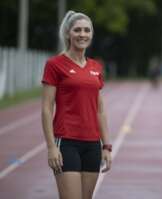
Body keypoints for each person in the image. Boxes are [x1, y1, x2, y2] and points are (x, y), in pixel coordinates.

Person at [41, 10, 112, 199]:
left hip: (92, 145)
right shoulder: (54, 64)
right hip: (66, 142)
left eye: (87, 30)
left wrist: (106, 146)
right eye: (77, 30)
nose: (82, 34)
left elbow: (100, 110)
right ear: (68, 33)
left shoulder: (95, 67)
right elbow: (47, 109)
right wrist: (51, 147)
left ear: (91, 34)